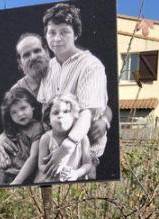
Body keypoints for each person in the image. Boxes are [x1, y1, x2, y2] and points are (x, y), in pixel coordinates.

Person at [37, 2, 110, 179]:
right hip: (54, 148)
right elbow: (46, 111)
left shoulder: (91, 65)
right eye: (52, 32)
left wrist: (65, 148)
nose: (57, 38)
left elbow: (88, 113)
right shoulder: (48, 68)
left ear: (75, 34)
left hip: (84, 151)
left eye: (64, 32)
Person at [34, 93, 94, 183]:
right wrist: (57, 172)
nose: (60, 115)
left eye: (66, 112)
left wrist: (76, 173)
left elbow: (88, 164)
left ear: (75, 117)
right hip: (51, 180)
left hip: (74, 181)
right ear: (48, 120)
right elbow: (41, 165)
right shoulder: (46, 138)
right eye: (55, 113)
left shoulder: (82, 138)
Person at [0, 87, 45, 185]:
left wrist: (17, 181)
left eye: (23, 108)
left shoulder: (37, 127)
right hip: (6, 171)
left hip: (23, 175)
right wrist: (2, 158)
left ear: (32, 105)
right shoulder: (13, 125)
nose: (20, 114)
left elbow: (33, 157)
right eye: (14, 112)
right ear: (10, 115)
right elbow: (3, 139)